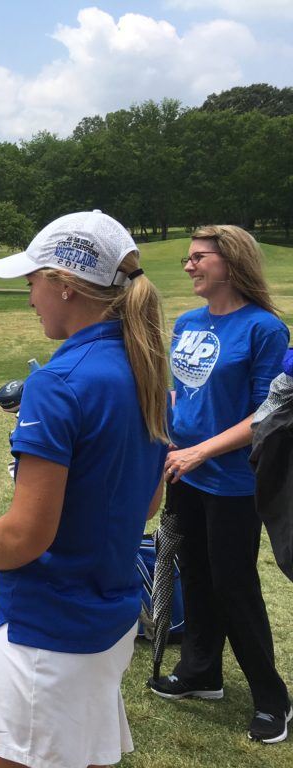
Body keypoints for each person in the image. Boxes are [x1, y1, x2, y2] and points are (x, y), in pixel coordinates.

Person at [0, 210, 169, 768]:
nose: (29, 298)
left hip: (47, 626)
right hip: (109, 616)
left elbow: (27, 534)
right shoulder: (145, 365)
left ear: (65, 286)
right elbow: (149, 501)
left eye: (32, 283)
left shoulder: (58, 382)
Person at [148, 225, 291, 743]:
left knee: (234, 584)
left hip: (230, 480)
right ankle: (200, 672)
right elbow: (176, 393)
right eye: (187, 258)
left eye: (199, 257)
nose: (189, 266)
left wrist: (199, 452)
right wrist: (164, 440)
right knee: (195, 575)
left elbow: (267, 414)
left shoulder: (264, 329)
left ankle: (273, 699)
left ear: (231, 262)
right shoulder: (187, 322)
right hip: (183, 470)